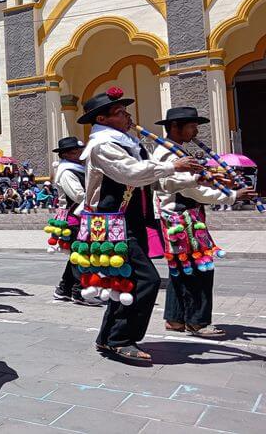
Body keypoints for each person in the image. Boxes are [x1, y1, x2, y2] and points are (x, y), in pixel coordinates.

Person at [76, 89, 202, 362]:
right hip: (112, 223)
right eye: (120, 112)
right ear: (102, 118)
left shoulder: (127, 143)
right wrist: (172, 166)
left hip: (130, 221)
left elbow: (151, 180)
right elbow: (131, 173)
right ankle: (121, 339)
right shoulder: (102, 145)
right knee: (147, 280)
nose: (128, 116)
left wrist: (193, 179)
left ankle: (109, 337)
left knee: (126, 279)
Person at [153, 107, 255, 338]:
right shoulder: (169, 155)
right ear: (175, 127)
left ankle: (176, 318)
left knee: (182, 268)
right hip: (182, 218)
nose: (195, 130)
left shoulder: (176, 151)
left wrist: (217, 180)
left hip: (182, 217)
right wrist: (232, 196)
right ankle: (197, 322)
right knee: (199, 268)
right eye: (191, 126)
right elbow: (191, 191)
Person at [50, 137, 98, 305]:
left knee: (76, 255)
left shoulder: (77, 168)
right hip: (74, 217)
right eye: (75, 152)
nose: (79, 154)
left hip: (80, 216)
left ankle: (64, 289)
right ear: (65, 154)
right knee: (81, 254)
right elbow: (77, 195)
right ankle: (79, 292)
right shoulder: (66, 171)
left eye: (79, 151)